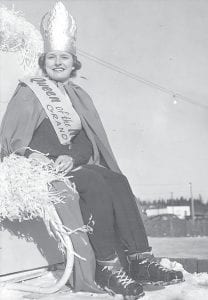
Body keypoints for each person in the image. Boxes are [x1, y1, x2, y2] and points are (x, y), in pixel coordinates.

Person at [0, 2, 183, 299]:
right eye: (53, 57)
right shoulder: (29, 91)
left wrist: (72, 156)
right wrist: (46, 158)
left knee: (117, 180)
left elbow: (87, 142)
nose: (59, 63)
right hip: (41, 170)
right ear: (43, 60)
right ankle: (108, 267)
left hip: (73, 165)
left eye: (65, 58)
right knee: (96, 182)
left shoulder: (75, 96)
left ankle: (140, 260)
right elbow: (13, 141)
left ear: (73, 64)